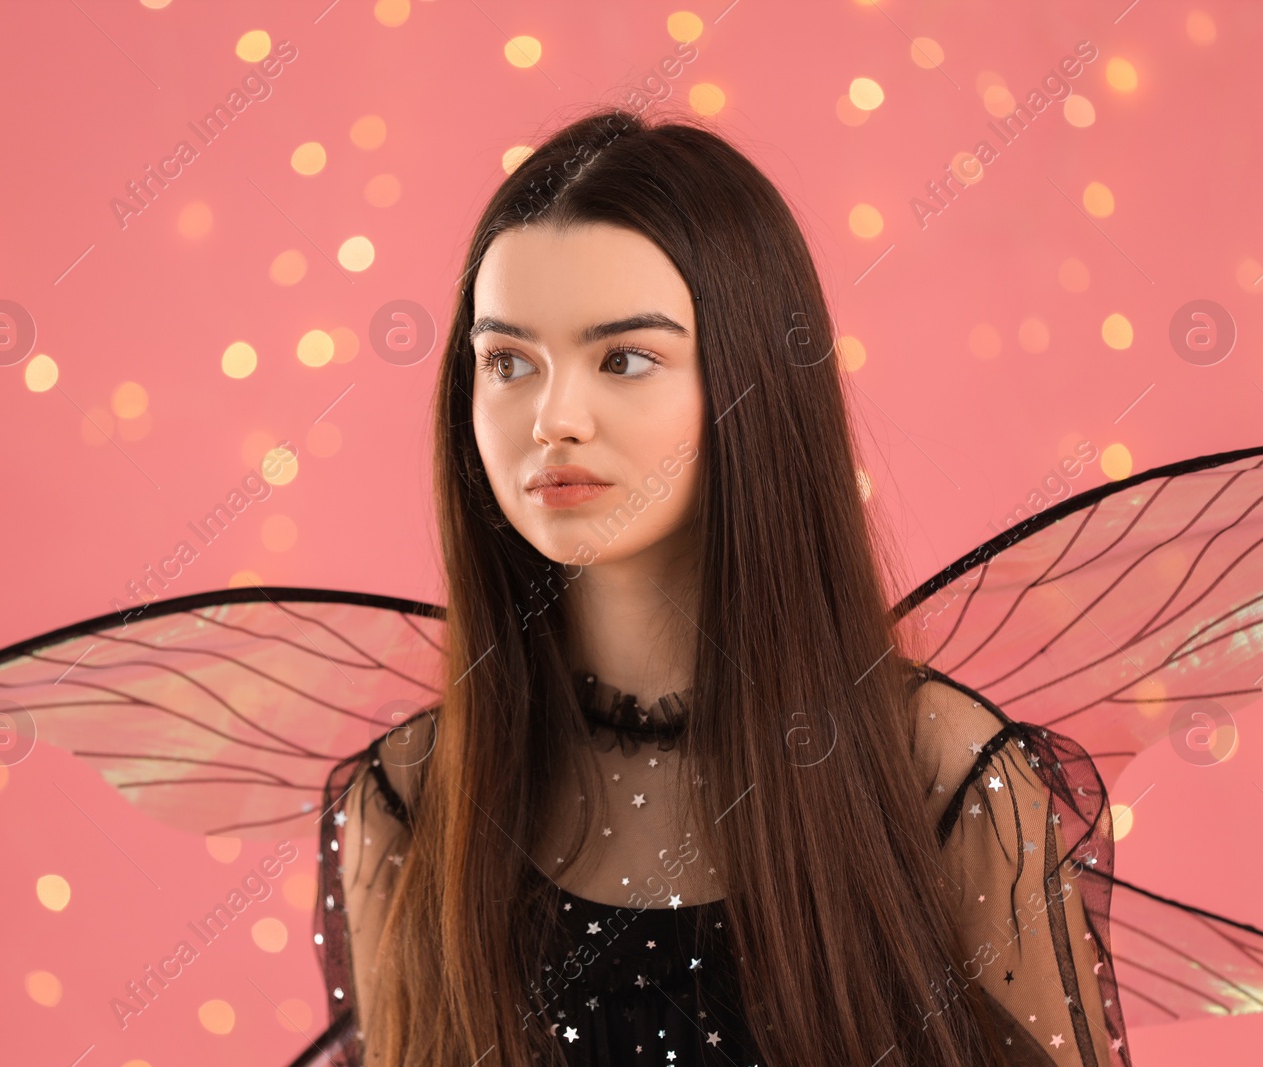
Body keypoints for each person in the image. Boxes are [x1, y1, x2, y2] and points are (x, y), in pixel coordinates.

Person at [334, 105, 1123, 1067]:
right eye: (507, 361)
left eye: (624, 358)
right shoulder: (412, 799)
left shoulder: (942, 781)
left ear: (751, 380)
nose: (554, 417)